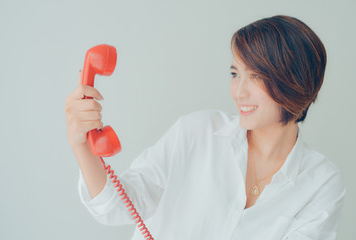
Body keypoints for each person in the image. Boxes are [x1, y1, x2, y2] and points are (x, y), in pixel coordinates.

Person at [65, 15, 346, 240]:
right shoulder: (197, 132)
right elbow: (116, 207)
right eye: (235, 74)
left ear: (297, 85)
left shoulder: (321, 183)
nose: (238, 91)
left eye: (257, 76)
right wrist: (82, 145)